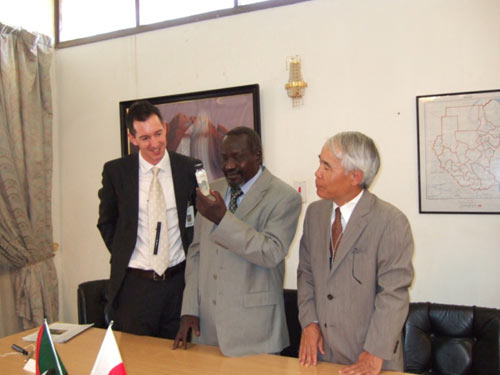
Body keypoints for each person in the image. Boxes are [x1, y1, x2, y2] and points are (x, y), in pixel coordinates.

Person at [173, 126, 302, 356]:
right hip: (207, 330)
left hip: (255, 333)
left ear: (257, 156)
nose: (229, 165)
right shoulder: (211, 190)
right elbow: (196, 253)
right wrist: (189, 308)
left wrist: (222, 219)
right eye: (224, 158)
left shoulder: (285, 197)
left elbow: (271, 252)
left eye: (237, 157)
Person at [297, 131, 414, 374]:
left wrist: (374, 352)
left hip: (371, 357)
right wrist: (310, 323)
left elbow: (393, 294)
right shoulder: (314, 214)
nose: (317, 172)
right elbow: (306, 273)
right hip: (322, 353)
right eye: (319, 162)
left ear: (355, 176)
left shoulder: (390, 221)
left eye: (326, 167)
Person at [97, 100, 200, 339]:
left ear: (165, 127)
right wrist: (125, 253)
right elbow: (106, 222)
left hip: (178, 284)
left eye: (158, 134)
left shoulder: (189, 168)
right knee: (137, 360)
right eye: (145, 138)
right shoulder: (116, 172)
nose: (154, 144)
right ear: (132, 139)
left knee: (180, 361)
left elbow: (198, 222)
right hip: (135, 287)